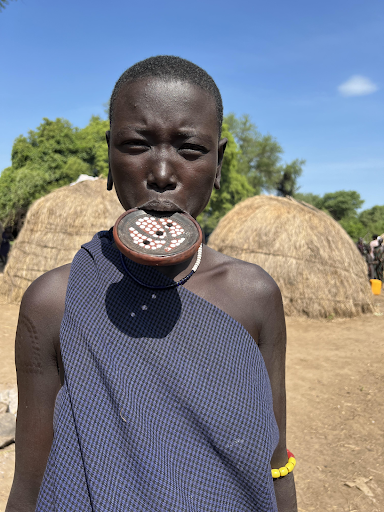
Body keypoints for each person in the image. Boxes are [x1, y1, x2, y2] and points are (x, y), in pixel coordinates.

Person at [6, 56, 297, 512]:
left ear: (218, 163)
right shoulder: (53, 302)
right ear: (109, 155)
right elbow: (30, 479)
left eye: (190, 149)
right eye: (136, 145)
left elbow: (275, 457)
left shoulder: (253, 296)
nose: (162, 173)